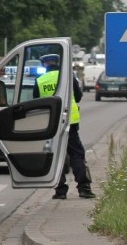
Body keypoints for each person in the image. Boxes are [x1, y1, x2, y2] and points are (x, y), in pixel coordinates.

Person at [33, 53, 95, 199]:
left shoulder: (40, 80)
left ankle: (60, 191)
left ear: (44, 65)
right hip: (70, 121)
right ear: (58, 63)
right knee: (77, 154)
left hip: (51, 124)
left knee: (55, 156)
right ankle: (84, 188)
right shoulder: (68, 77)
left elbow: (35, 103)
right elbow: (78, 97)